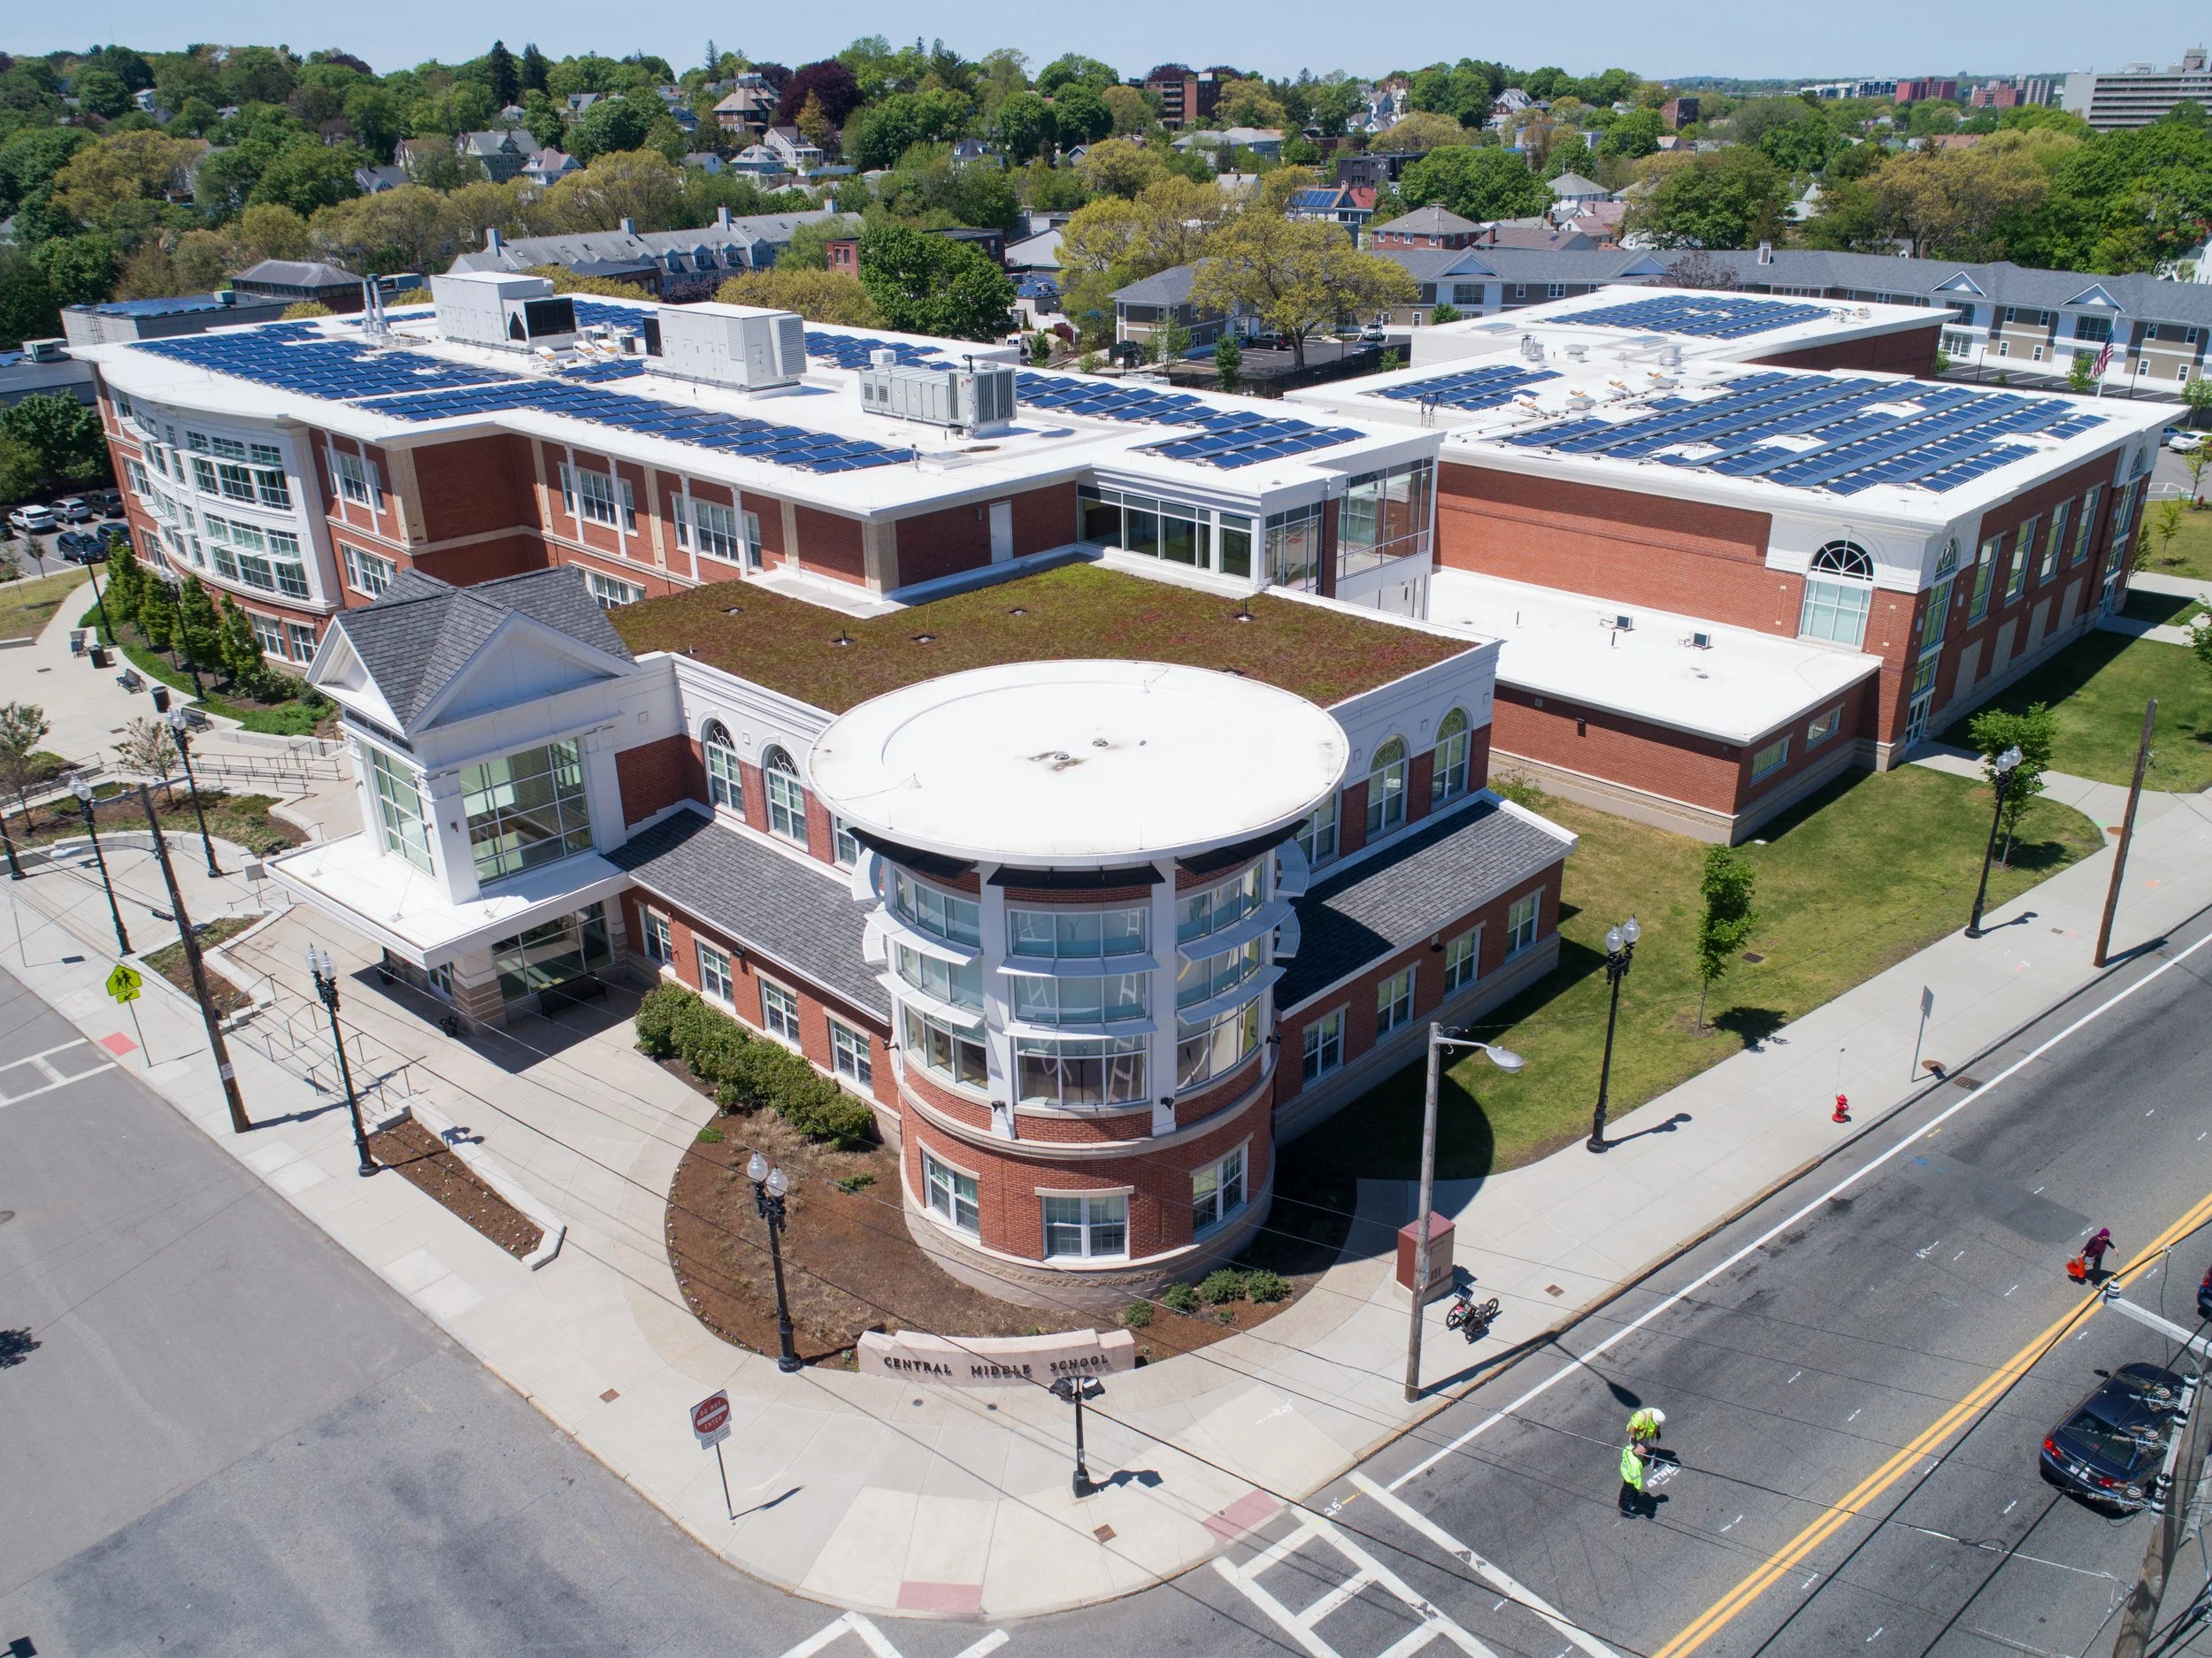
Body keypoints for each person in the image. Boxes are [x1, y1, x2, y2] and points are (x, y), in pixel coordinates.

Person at [1619, 1438, 1650, 1515]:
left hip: (1625, 1474)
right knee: (1629, 1496)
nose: (1646, 1452)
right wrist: (1640, 1490)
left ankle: (1620, 1503)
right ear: (1642, 1450)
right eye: (1645, 1451)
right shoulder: (1636, 1464)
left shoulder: (1628, 1448)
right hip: (1631, 1481)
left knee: (1624, 1489)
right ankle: (1625, 1512)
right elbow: (1637, 1479)